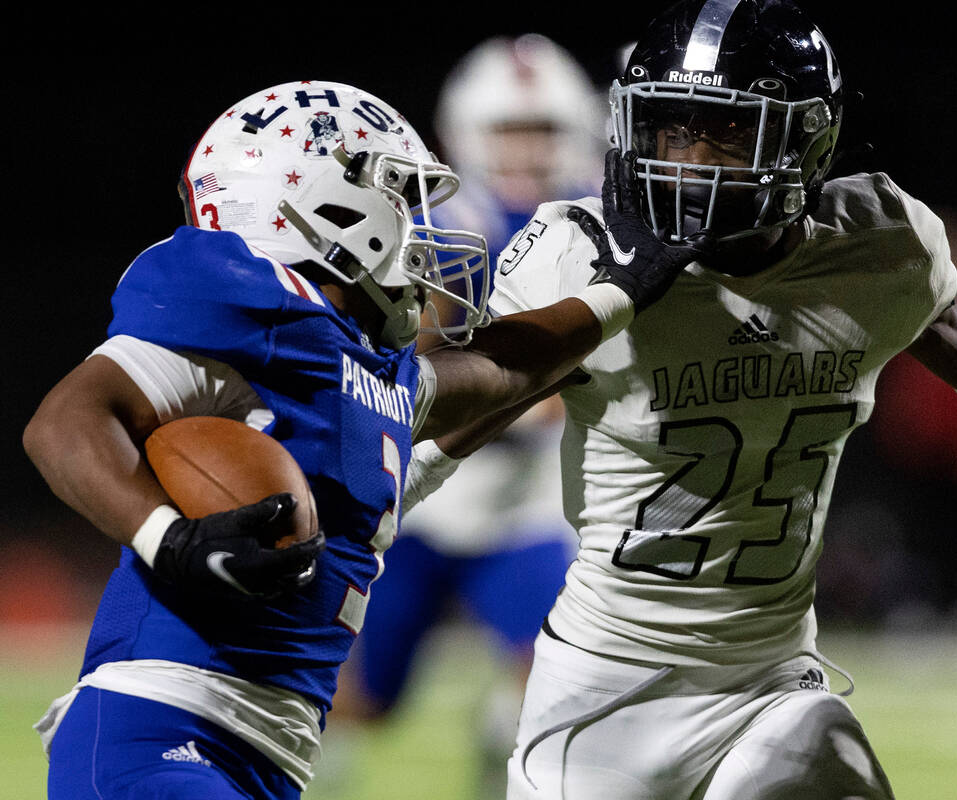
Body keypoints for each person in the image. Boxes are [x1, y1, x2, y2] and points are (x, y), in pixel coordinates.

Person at [405, 3, 957, 798]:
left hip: (774, 687)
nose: (685, 161)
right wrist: (338, 532)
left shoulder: (872, 248)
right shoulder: (583, 256)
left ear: (803, 142)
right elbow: (459, 425)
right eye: (669, 130)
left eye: (722, 133)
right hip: (601, 695)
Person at [21, 79, 702, 799]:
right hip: (161, 726)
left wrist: (622, 290)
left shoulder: (359, 365)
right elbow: (66, 422)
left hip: (262, 750)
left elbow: (499, 372)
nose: (419, 231)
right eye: (401, 200)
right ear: (322, 204)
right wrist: (173, 539)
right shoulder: (247, 300)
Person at [328, 36, 609, 797]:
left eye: (542, 132)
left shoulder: (598, 219)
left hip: (528, 506)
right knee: (363, 701)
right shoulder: (444, 222)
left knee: (554, 668)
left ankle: (504, 764)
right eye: (511, 132)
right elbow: (413, 355)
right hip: (424, 497)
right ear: (466, 132)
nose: (525, 151)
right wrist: (514, 390)